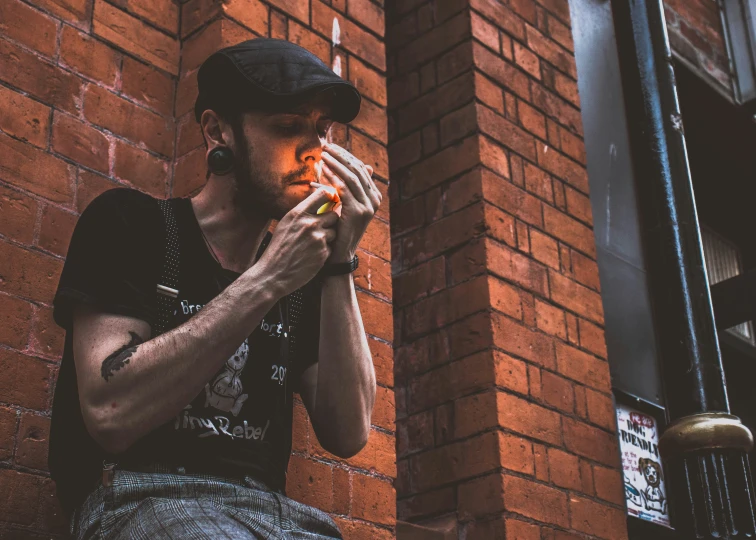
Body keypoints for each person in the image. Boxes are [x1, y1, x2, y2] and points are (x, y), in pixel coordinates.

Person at [48, 38, 381, 539]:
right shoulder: (132, 225)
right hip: (141, 498)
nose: (314, 149)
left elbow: (348, 432)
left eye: (322, 130)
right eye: (288, 127)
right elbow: (108, 413)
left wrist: (339, 262)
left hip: (274, 515)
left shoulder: (304, 274)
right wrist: (267, 278)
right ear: (217, 130)